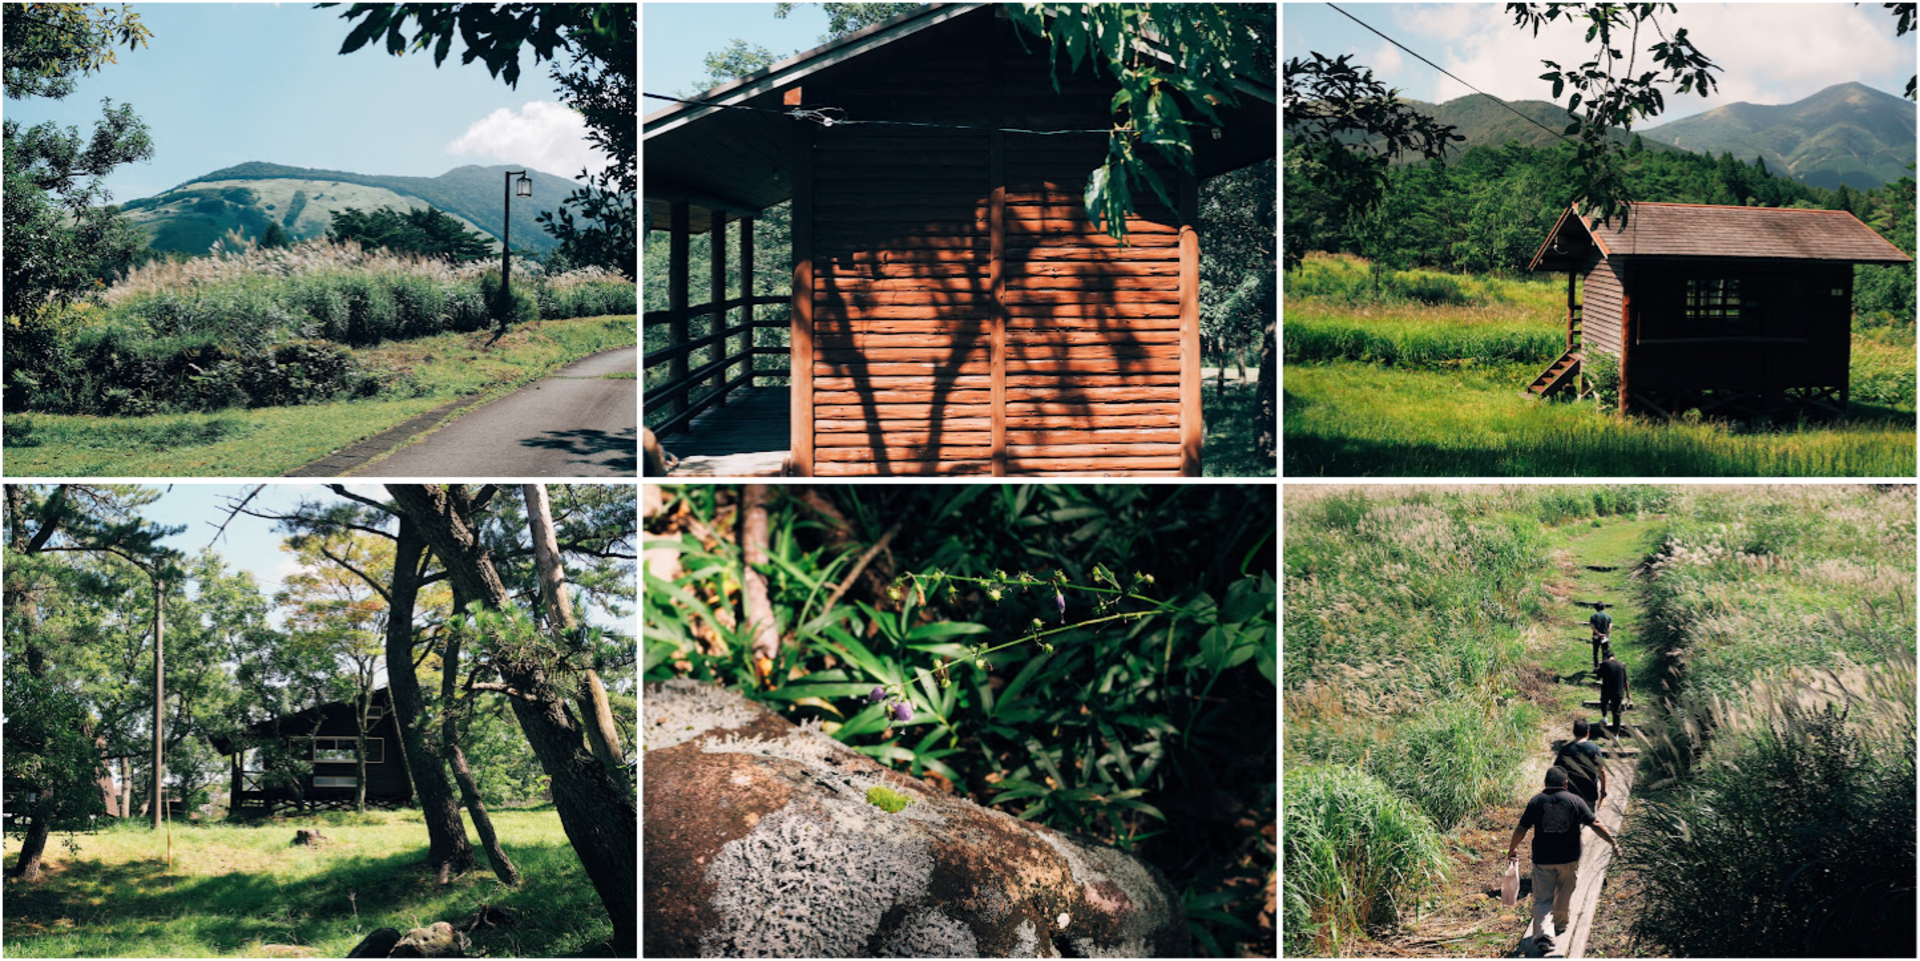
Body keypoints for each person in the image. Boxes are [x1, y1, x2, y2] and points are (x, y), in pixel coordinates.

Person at [1507, 767, 1619, 952]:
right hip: (1569, 858)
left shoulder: (1536, 801)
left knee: (1542, 899)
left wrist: (1512, 848)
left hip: (1543, 859)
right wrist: (1613, 842)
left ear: (1545, 783)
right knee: (1564, 894)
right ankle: (1559, 926)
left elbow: (1521, 829)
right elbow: (1595, 823)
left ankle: (1544, 934)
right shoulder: (1575, 800)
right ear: (1565, 783)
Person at [1553, 719, 1608, 812]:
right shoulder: (1594, 748)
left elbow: (1557, 772)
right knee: (1589, 820)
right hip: (1589, 792)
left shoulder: (1564, 749)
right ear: (1587, 733)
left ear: (1573, 732)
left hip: (1570, 793)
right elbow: (1602, 771)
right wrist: (1603, 791)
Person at [1596, 644, 1630, 735]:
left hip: (1607, 690)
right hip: (1618, 692)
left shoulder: (1604, 664)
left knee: (1603, 703)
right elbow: (1626, 682)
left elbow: (1598, 677)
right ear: (1614, 657)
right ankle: (1616, 734)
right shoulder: (1621, 666)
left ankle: (1604, 717)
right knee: (1616, 713)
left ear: (1605, 657)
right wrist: (1628, 695)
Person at [1588, 602, 1612, 667]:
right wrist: (1605, 634)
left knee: (1595, 653)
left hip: (1596, 636)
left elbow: (1592, 626)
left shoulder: (1593, 616)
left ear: (1596, 608)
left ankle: (1596, 667)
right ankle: (1604, 667)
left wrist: (1599, 634)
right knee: (1605, 652)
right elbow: (1610, 627)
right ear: (1604, 608)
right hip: (1605, 637)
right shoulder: (1608, 616)